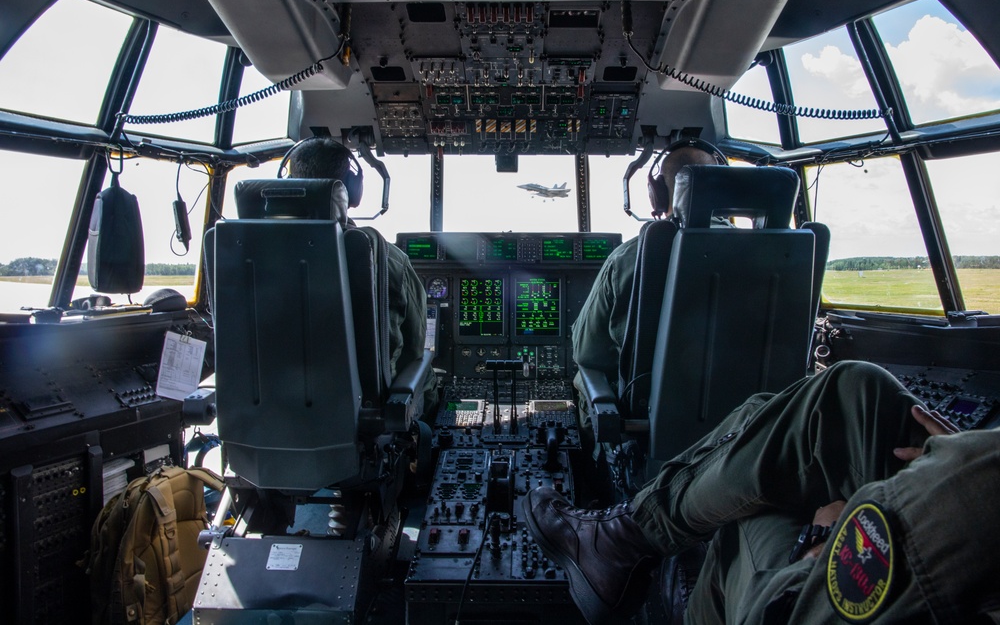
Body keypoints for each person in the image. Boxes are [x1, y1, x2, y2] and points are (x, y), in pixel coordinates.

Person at [522, 360, 1000, 624]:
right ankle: (628, 535)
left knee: (751, 506)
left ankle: (623, 540)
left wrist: (818, 546)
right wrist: (959, 457)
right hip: (977, 483)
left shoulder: (636, 256)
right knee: (855, 389)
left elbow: (588, 350)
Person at [570, 140, 722, 445]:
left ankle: (594, 482)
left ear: (657, 194)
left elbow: (586, 352)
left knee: (582, 378)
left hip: (649, 432)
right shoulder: (781, 252)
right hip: (752, 430)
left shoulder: (630, 257)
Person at [287, 137, 435, 406]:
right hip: (364, 425)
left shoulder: (232, 250)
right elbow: (413, 351)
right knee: (425, 379)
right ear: (353, 190)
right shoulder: (385, 258)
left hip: (257, 428)